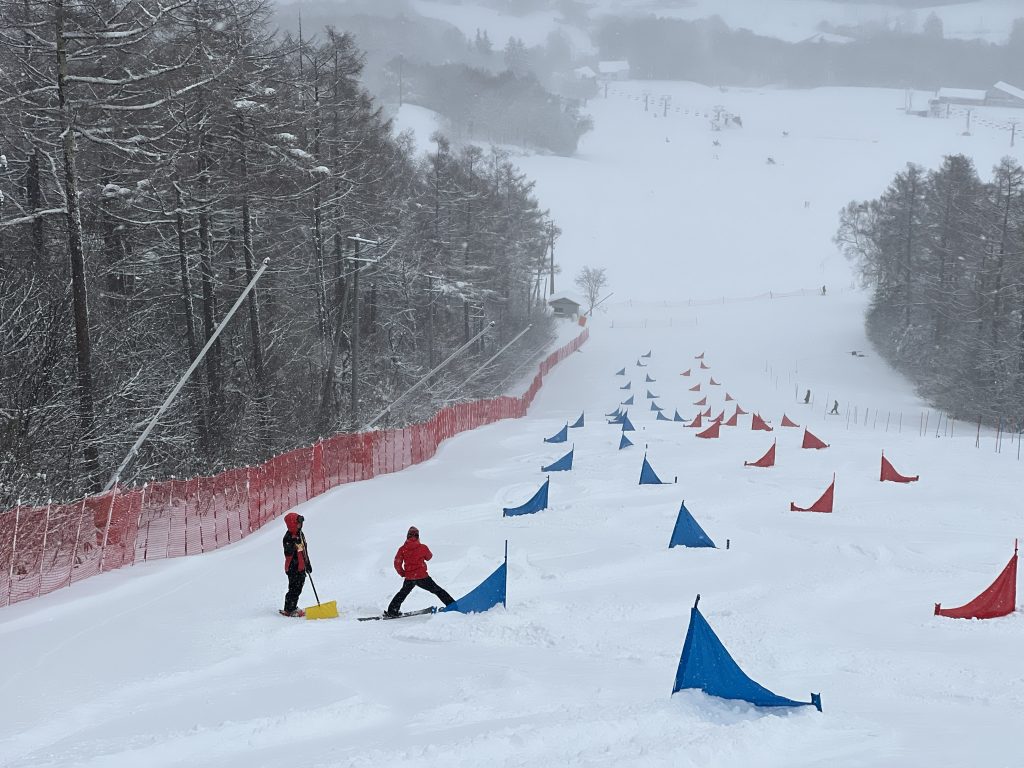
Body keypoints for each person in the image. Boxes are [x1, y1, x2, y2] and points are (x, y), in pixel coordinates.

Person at [386, 526, 454, 617]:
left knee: (402, 594)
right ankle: (452, 605)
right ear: (418, 536)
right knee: (437, 590)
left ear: (407, 536)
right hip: (422, 577)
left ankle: (392, 611)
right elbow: (429, 557)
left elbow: (397, 563)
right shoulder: (423, 547)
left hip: (410, 577)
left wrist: (402, 573)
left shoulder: (402, 549)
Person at [281, 512, 312, 617]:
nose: (300, 525)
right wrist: (294, 544)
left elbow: (304, 550)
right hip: (292, 567)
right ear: (292, 524)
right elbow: (288, 552)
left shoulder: (300, 534)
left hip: (301, 566)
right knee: (293, 588)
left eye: (301, 523)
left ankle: (293, 606)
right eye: (298, 523)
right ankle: (289, 609)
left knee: (299, 588)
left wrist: (308, 563)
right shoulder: (288, 537)